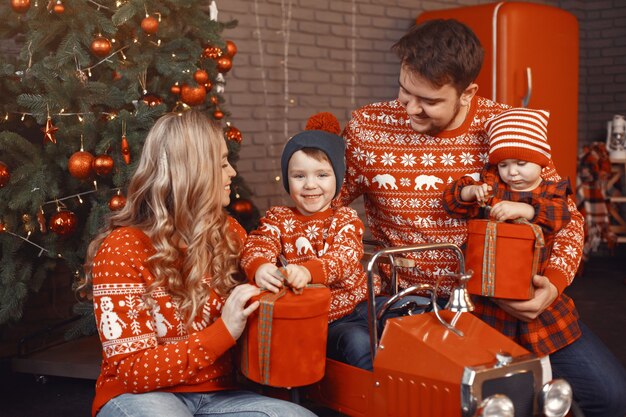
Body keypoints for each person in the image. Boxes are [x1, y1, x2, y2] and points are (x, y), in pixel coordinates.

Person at [337, 19, 626, 417]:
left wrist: (553, 286)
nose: (410, 109)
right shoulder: (367, 128)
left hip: (507, 304)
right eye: (404, 91)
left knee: (610, 397)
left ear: (468, 91)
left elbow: (567, 218)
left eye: (430, 101)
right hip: (414, 307)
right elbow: (325, 204)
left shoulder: (506, 125)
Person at [82, 110, 316, 417]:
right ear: (190, 172)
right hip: (142, 396)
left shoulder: (230, 232)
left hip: (221, 396)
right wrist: (224, 331)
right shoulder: (122, 248)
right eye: (221, 164)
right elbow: (134, 372)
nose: (232, 172)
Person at [241, 113, 427, 371]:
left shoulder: (345, 218)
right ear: (287, 180)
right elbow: (258, 243)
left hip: (365, 304)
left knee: (420, 310)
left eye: (321, 175)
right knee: (359, 343)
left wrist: (308, 271)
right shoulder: (278, 219)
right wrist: (260, 266)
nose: (310, 185)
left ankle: (420, 379)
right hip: (326, 319)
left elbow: (345, 257)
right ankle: (376, 397)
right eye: (299, 176)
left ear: (337, 179)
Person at [443, 107, 577, 353]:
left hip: (530, 283)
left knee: (539, 352)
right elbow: (452, 202)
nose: (512, 172)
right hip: (490, 290)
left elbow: (560, 216)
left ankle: (540, 382)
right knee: (483, 348)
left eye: (521, 163)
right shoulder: (494, 186)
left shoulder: (552, 191)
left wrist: (526, 210)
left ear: (540, 160)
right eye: (503, 164)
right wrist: (471, 192)